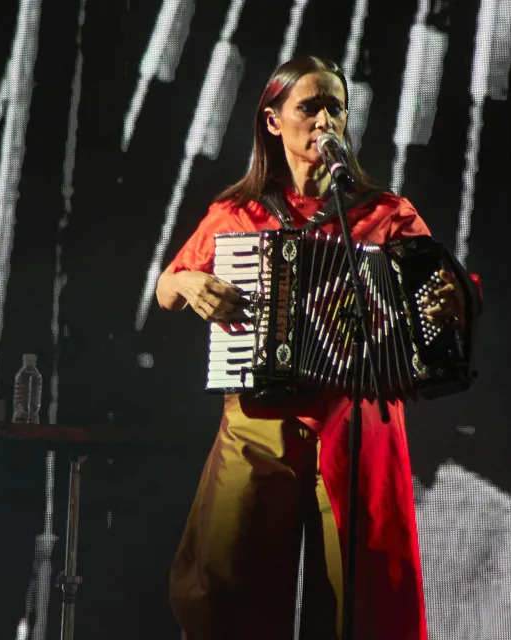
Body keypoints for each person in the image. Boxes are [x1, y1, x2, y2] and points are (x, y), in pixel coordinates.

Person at [156, 55, 468, 640]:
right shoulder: (238, 213)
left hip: (357, 420)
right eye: (310, 107)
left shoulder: (383, 214)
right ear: (273, 121)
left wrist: (447, 302)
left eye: (336, 108)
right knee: (226, 578)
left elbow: (446, 285)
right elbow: (166, 288)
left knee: (365, 592)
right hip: (257, 419)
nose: (326, 120)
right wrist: (188, 283)